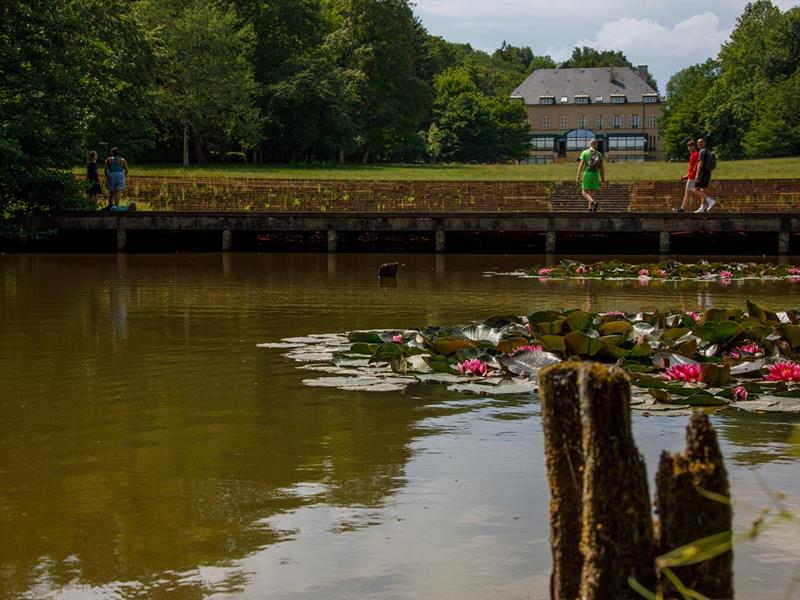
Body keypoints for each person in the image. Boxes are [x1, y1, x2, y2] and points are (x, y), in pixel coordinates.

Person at [576, 139, 605, 212]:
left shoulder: (585, 152)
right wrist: (602, 179)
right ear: (596, 145)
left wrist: (578, 175)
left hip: (587, 174)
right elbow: (601, 169)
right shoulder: (599, 154)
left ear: (589, 144)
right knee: (592, 192)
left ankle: (593, 202)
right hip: (596, 174)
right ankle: (590, 209)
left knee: (584, 192)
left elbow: (581, 165)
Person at [673, 140, 699, 212]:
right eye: (689, 146)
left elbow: (695, 167)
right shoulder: (693, 155)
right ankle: (682, 208)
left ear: (694, 146)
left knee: (689, 192)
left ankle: (682, 208)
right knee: (691, 191)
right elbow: (691, 169)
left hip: (692, 177)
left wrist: (691, 176)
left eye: (692, 146)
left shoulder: (696, 154)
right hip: (691, 176)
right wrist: (685, 176)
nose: (690, 148)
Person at [693, 137, 717, 213]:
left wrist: (697, 174)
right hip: (708, 172)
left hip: (702, 173)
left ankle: (710, 201)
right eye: (698, 142)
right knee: (703, 190)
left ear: (704, 143)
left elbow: (700, 163)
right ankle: (703, 208)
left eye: (700, 142)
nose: (698, 144)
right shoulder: (707, 151)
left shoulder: (702, 151)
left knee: (695, 190)